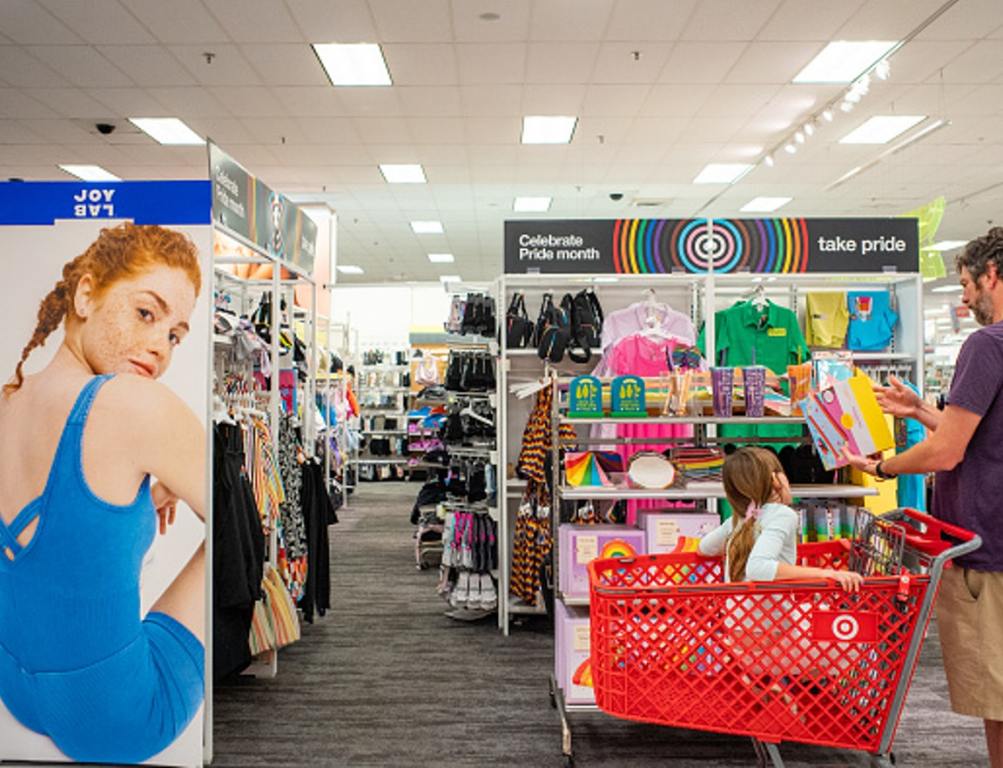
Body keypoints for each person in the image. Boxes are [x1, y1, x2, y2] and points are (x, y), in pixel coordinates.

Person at [0, 222, 206, 763]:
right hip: (119, 714)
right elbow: (244, 529)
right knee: (237, 527)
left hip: (15, 684)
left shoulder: (8, 404)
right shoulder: (133, 403)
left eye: (176, 334)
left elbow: (65, 539)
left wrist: (146, 495)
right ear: (86, 295)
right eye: (146, 313)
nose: (160, 346)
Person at [842, 227, 1003, 768]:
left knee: (996, 697)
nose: (961, 298)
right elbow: (979, 438)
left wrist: (882, 465)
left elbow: (946, 454)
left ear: (992, 275)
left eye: (965, 284)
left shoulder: (987, 344)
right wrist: (918, 412)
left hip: (988, 549)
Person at [699, 447, 863, 592]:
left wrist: (741, 545)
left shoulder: (742, 517)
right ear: (774, 479)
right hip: (775, 622)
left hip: (735, 619)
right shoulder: (782, 514)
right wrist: (827, 573)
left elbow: (704, 548)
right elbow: (757, 568)